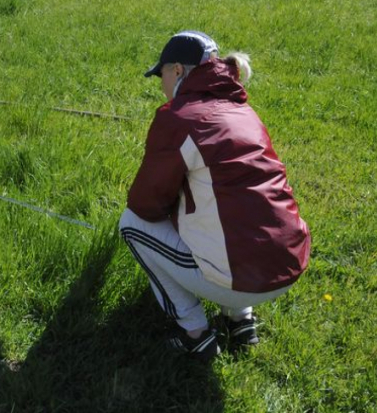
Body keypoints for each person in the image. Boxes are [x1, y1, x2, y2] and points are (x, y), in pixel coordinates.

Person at [119, 30, 311, 362]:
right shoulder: (243, 110)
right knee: (227, 208)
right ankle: (240, 319)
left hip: (241, 277)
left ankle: (194, 333)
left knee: (131, 224)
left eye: (162, 74)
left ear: (177, 70)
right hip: (290, 263)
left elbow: (145, 204)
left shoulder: (177, 116)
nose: (161, 85)